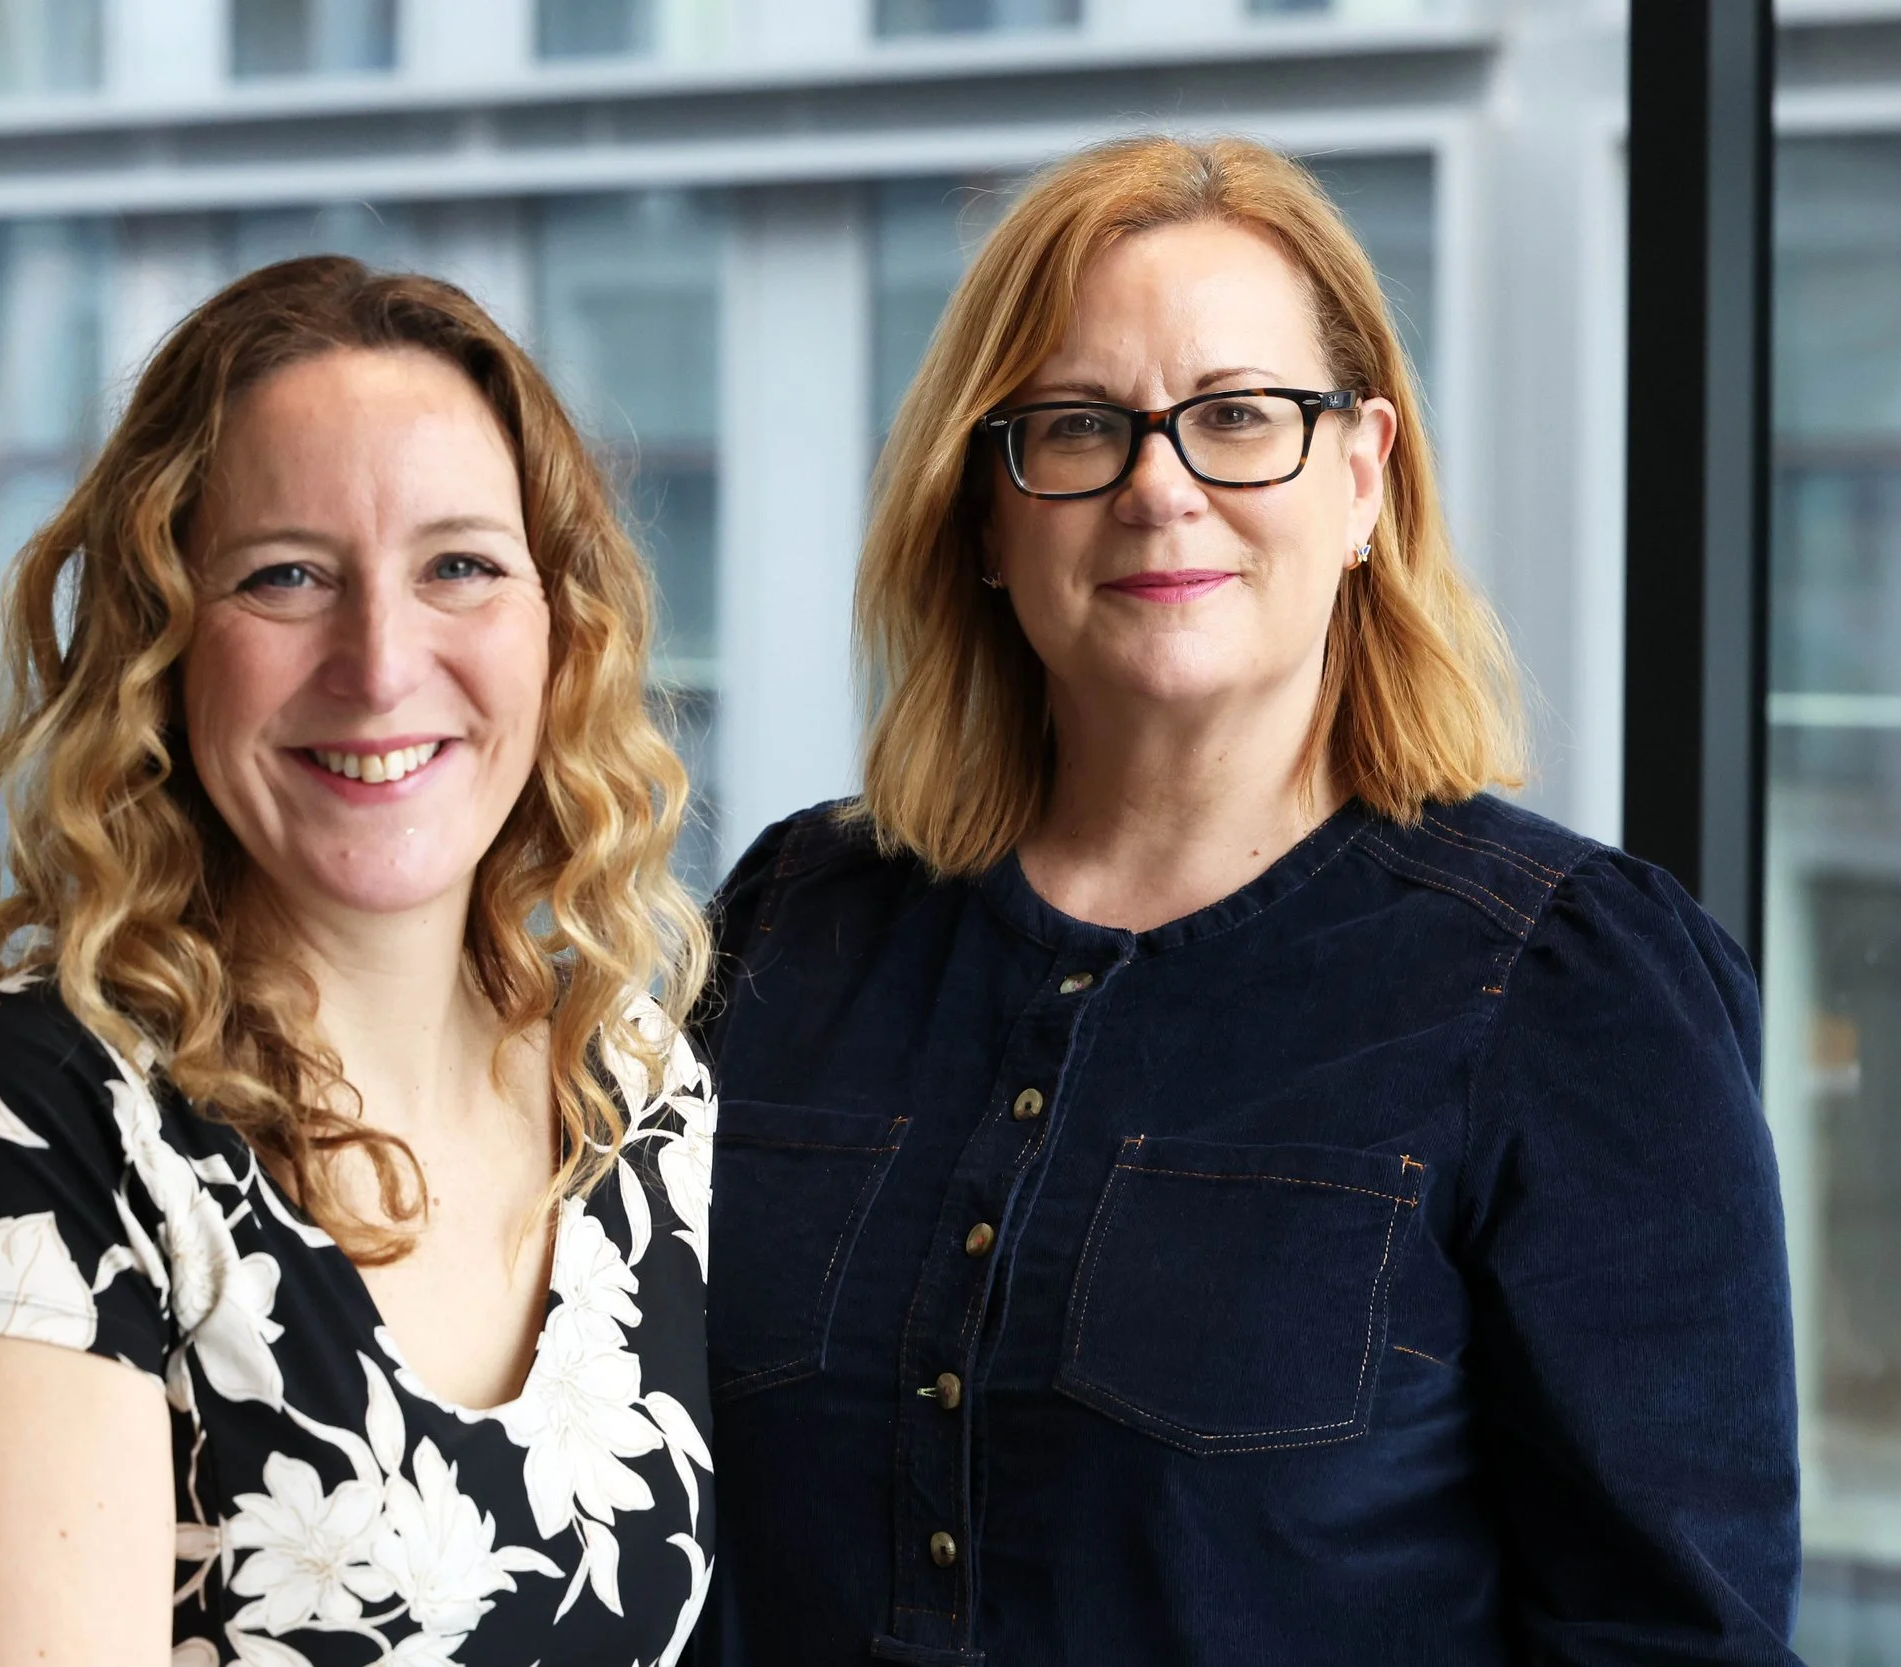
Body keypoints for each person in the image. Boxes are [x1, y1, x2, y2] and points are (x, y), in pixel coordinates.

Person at [699, 136, 1800, 1664]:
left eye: (1236, 417)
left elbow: (1673, 1638)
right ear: (988, 516)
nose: (1159, 488)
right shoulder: (796, 922)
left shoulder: (1569, 986)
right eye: (1078, 425)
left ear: (1362, 479)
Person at [0, 257, 718, 1667]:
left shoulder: (635, 1096)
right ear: (162, 645)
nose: (380, 661)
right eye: (286, 576)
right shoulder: (20, 1126)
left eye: (460, 565)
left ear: (561, 626)